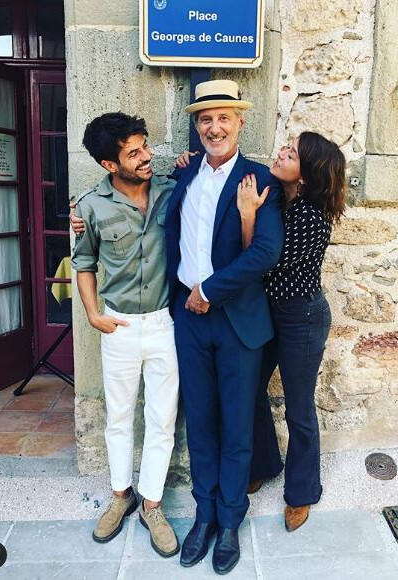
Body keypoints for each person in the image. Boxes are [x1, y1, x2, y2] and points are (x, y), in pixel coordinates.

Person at [176, 131, 346, 533]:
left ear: (307, 173)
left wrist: (249, 215)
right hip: (265, 313)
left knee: (299, 406)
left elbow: (264, 260)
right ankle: (265, 464)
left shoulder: (309, 213)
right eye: (285, 146)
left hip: (300, 317)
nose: (281, 152)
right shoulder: (280, 197)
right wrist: (186, 163)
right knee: (250, 391)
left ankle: (301, 491)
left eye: (292, 153)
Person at [166, 79, 284, 575]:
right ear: (196, 127)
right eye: (205, 119)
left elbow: (265, 251)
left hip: (235, 322)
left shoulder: (259, 180)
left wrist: (209, 290)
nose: (214, 127)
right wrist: (83, 217)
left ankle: (231, 519)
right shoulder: (186, 173)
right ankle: (204, 515)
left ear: (240, 122)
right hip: (188, 323)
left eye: (223, 118)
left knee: (237, 425)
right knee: (201, 422)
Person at [71, 112, 180, 558]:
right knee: (119, 419)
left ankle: (152, 504)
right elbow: (84, 263)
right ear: (108, 164)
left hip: (165, 324)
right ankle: (121, 496)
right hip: (117, 326)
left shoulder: (173, 191)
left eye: (145, 146)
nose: (146, 157)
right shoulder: (91, 206)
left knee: (162, 419)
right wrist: (94, 313)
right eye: (133, 152)